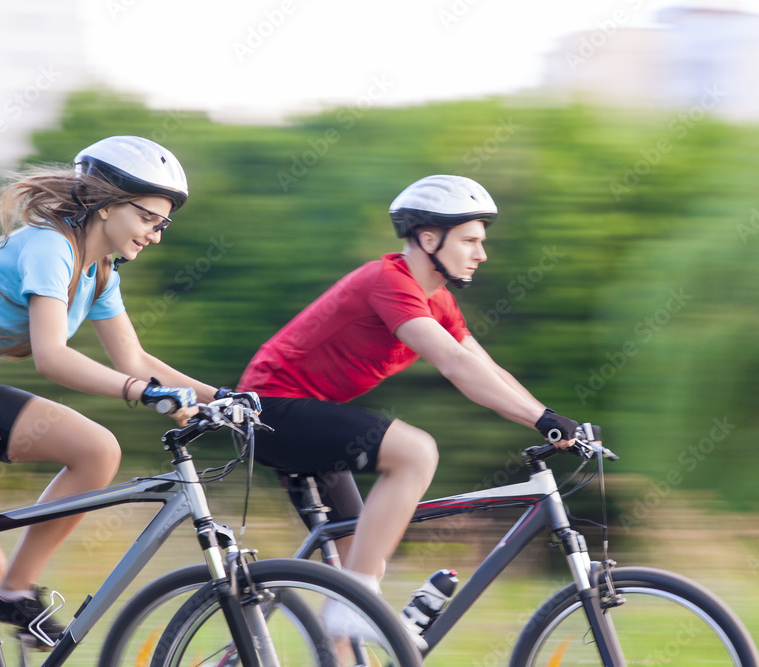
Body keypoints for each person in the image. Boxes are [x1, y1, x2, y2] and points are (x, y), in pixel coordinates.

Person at [0, 136, 218, 667]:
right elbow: (53, 357)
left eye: (164, 224)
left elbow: (135, 360)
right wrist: (142, 394)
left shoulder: (99, 270)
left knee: (97, 450)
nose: (156, 235)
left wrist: (223, 398)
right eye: (149, 219)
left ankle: (15, 591)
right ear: (107, 203)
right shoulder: (49, 248)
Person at [236, 174, 578, 631]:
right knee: (415, 452)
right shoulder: (388, 280)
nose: (482, 254)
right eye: (471, 241)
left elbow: (489, 372)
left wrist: (556, 421)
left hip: (311, 421)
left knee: (364, 563)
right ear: (430, 238)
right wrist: (542, 421)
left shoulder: (439, 303)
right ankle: (353, 610)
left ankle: (349, 638)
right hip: (273, 412)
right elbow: (455, 365)